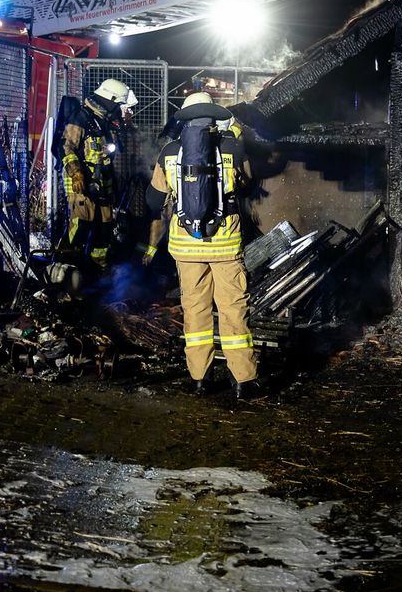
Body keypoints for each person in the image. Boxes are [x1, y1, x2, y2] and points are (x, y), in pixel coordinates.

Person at [144, 92, 260, 397]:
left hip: (186, 246)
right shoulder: (232, 146)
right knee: (233, 309)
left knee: (195, 310)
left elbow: (153, 200)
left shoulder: (170, 151)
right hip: (224, 244)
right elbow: (249, 185)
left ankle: (198, 379)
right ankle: (244, 381)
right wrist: (238, 144)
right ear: (213, 117)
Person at [59, 78, 134, 268]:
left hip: (103, 184)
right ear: (109, 99)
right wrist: (76, 173)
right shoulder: (81, 117)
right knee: (81, 226)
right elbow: (66, 147)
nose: (119, 108)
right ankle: (64, 270)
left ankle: (97, 267)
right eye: (117, 103)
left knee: (105, 228)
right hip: (82, 185)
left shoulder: (104, 120)